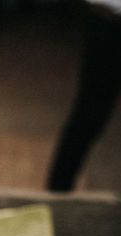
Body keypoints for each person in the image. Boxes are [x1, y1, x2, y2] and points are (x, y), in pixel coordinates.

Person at [46, 0, 121, 191]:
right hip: (109, 22)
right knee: (89, 114)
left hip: (107, 19)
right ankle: (58, 195)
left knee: (89, 114)